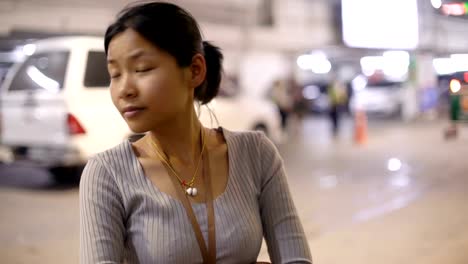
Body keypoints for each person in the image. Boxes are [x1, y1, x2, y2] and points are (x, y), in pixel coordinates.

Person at [79, 2, 312, 264]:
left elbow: (296, 258)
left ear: (195, 70)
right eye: (114, 74)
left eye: (142, 69)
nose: (124, 89)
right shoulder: (106, 174)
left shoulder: (256, 154)